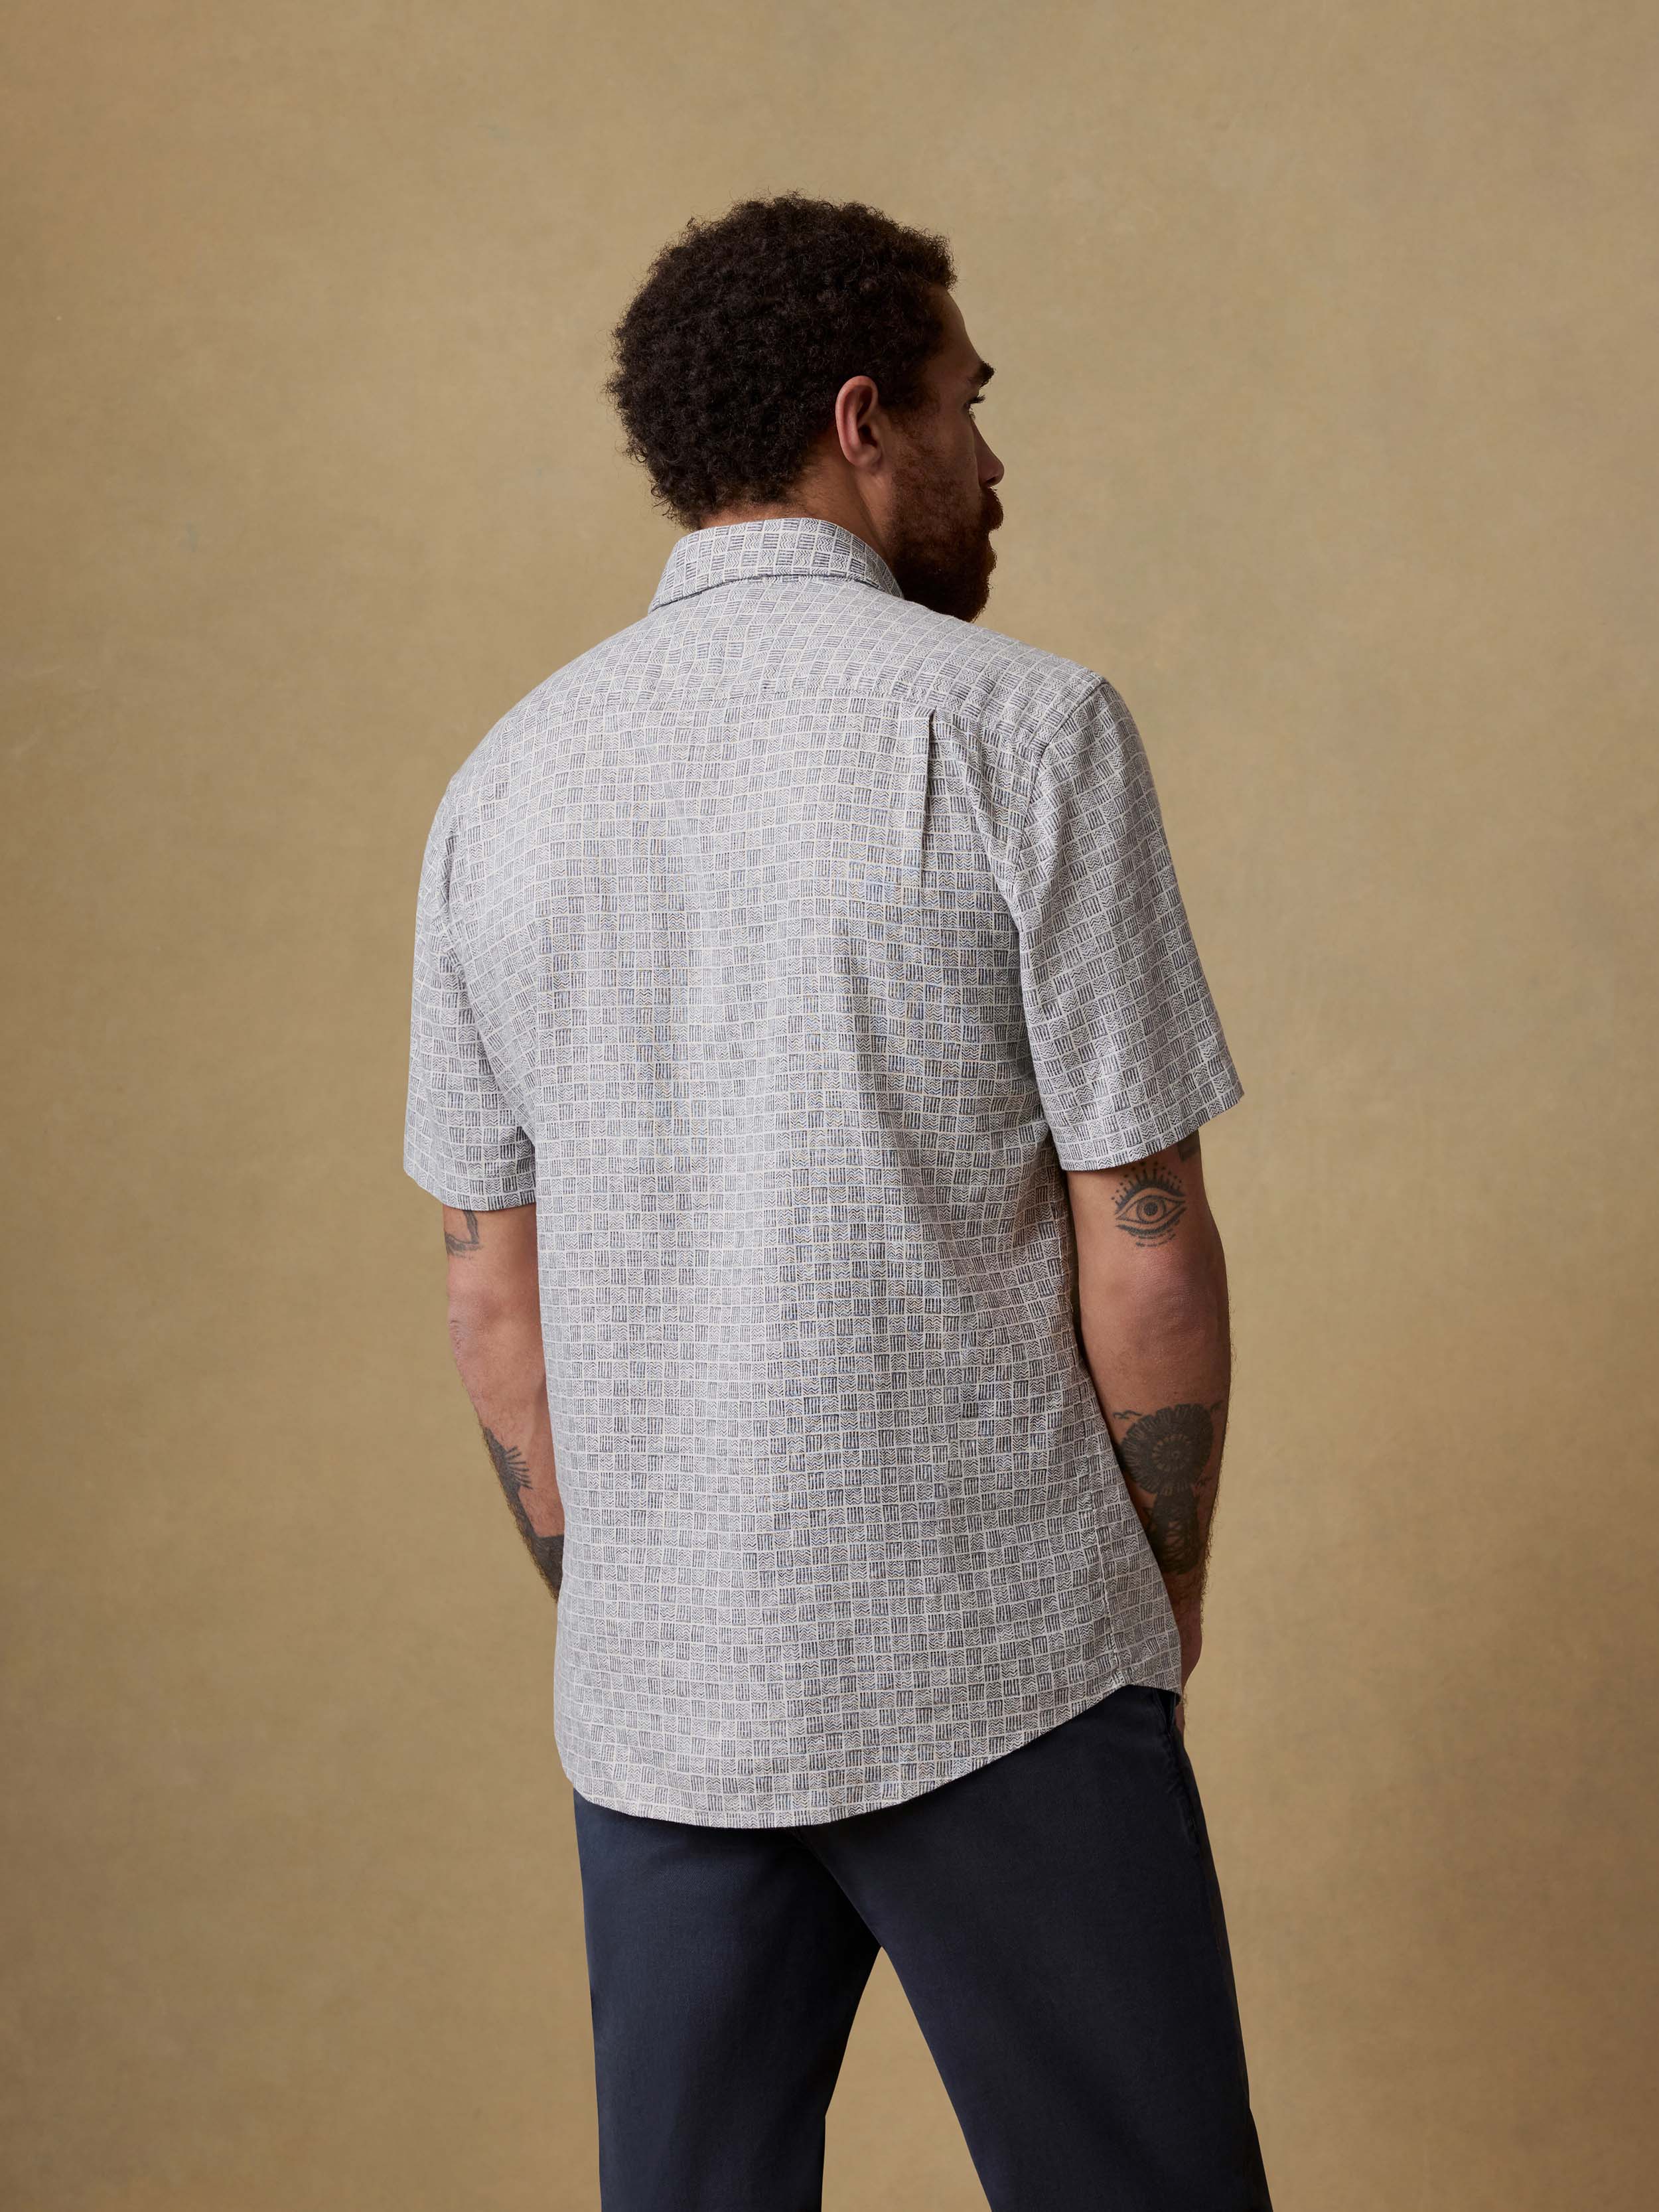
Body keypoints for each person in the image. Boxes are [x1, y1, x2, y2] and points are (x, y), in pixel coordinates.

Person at [403, 191, 1272, 2211]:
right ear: (862, 418)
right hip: (1010, 1660)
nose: (995, 457)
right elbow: (1139, 1229)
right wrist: (1153, 1592)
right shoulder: (1019, 729)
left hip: (657, 1708)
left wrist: (635, 1609)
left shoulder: (502, 786)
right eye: (972, 403)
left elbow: (487, 1293)